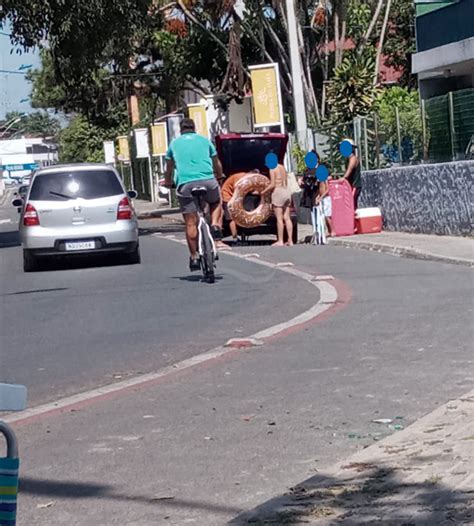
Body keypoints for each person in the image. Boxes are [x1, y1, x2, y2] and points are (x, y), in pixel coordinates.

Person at [164, 118, 225, 271]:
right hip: (208, 181)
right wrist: (219, 175)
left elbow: (169, 168)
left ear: (181, 129)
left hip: (185, 184)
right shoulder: (205, 141)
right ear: (194, 128)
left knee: (191, 223)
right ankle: (216, 225)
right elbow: (216, 161)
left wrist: (167, 182)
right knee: (216, 201)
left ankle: (194, 257)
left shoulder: (174, 144)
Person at [262, 162, 293, 246]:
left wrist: (263, 192)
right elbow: (286, 181)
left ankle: (280, 240)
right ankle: (290, 240)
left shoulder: (272, 168)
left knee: (279, 219)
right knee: (287, 217)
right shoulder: (282, 167)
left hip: (278, 191)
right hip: (286, 191)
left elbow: (272, 184)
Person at [220, 171, 248, 240]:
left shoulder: (244, 177)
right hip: (227, 196)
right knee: (231, 217)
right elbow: (236, 188)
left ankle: (239, 234)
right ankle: (234, 236)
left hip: (233, 196)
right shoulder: (240, 177)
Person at [342, 138, 362, 211]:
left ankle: (353, 221)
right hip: (350, 186)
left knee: (352, 204)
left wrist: (343, 178)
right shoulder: (348, 159)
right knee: (351, 204)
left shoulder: (353, 159)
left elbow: (349, 170)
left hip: (355, 186)